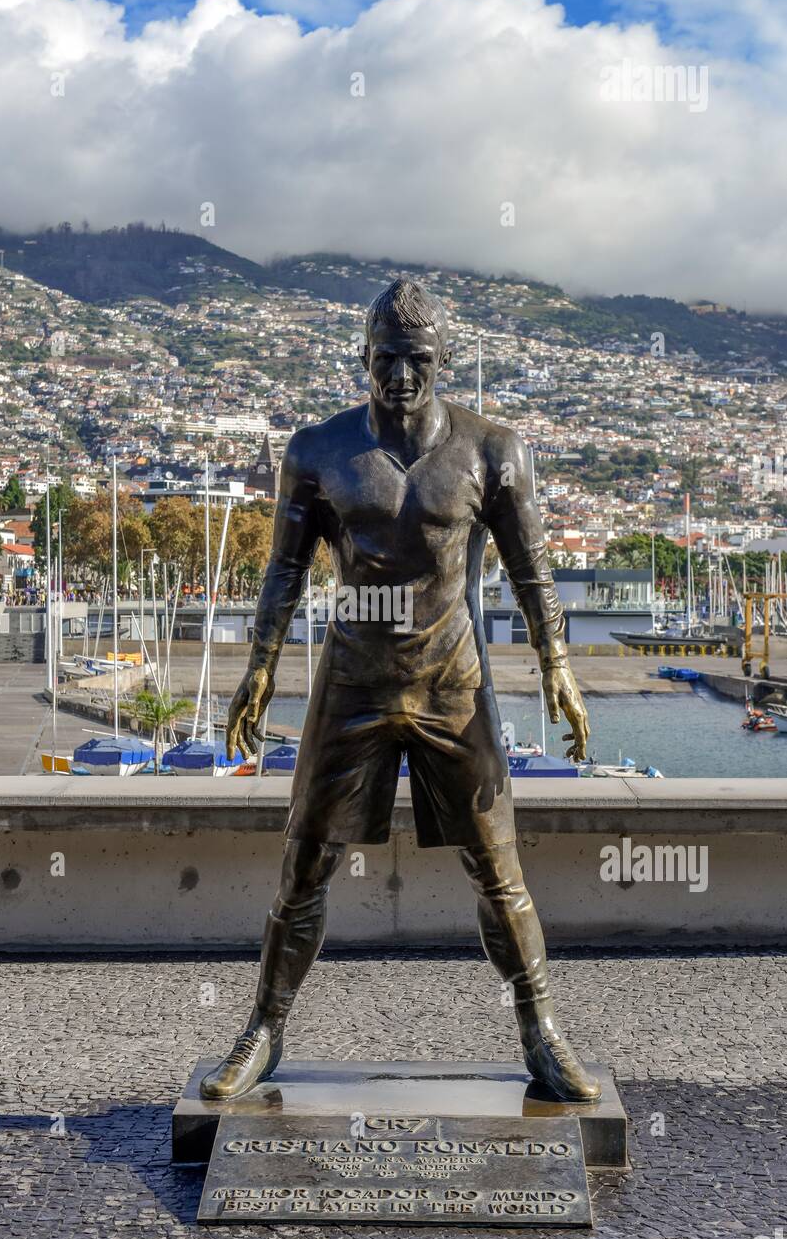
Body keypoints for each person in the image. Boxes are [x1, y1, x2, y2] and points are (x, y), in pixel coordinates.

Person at [202, 279, 599, 1104]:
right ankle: (264, 1030)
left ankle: (541, 1033)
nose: (401, 376)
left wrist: (556, 663)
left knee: (498, 870)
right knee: (304, 865)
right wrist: (259, 665)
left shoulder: (494, 449)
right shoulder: (317, 451)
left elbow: (533, 570)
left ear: (443, 362)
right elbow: (282, 569)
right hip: (351, 682)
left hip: (453, 684)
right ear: (362, 360)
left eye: (417, 360)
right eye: (385, 359)